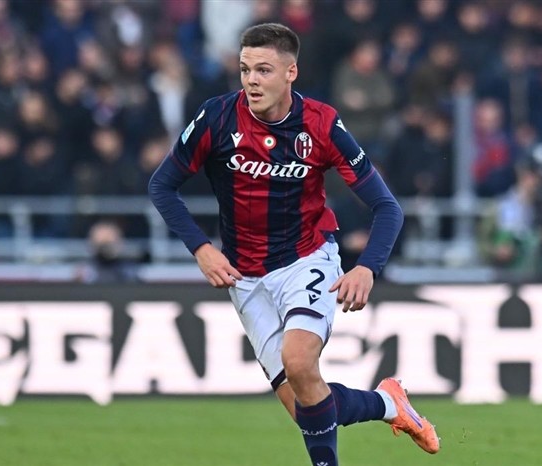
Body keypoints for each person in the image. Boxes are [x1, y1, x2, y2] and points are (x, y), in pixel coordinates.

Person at [149, 23, 439, 466]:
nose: (251, 80)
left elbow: (387, 207)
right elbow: (162, 186)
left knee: (300, 364)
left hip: (306, 259)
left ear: (291, 72)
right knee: (305, 405)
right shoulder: (217, 117)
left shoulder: (321, 124)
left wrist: (367, 267)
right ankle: (388, 403)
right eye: (245, 69)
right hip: (244, 277)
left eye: (263, 70)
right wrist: (201, 248)